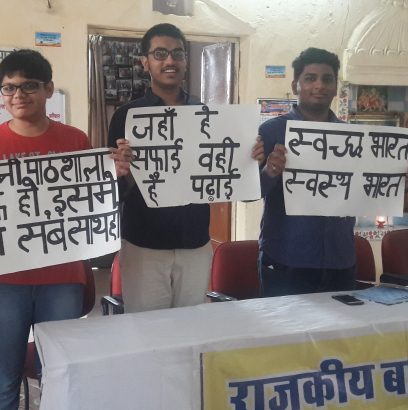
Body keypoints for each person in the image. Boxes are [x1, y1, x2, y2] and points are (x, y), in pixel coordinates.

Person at [0, 49, 128, 410]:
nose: (18, 95)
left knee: (58, 372)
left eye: (29, 86)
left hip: (62, 277)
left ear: (49, 89)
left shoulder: (75, 140)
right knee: (4, 377)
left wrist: (113, 177)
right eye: (9, 88)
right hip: (6, 281)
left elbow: (93, 202)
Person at [108, 23, 263, 313]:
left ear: (185, 61)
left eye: (177, 54)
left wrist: (250, 159)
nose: (170, 60)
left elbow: (230, 174)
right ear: (145, 62)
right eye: (160, 53)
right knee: (146, 329)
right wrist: (121, 170)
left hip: (194, 243)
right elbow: (115, 187)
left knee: (190, 327)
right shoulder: (127, 116)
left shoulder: (208, 115)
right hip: (144, 245)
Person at [258, 47, 408, 297]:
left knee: (340, 324)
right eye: (310, 78)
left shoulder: (354, 139)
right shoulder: (271, 132)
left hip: (340, 260)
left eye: (327, 79)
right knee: (285, 324)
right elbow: (250, 193)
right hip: (286, 259)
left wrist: (404, 184)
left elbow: (370, 195)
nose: (319, 85)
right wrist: (270, 172)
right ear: (295, 85)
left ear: (336, 87)